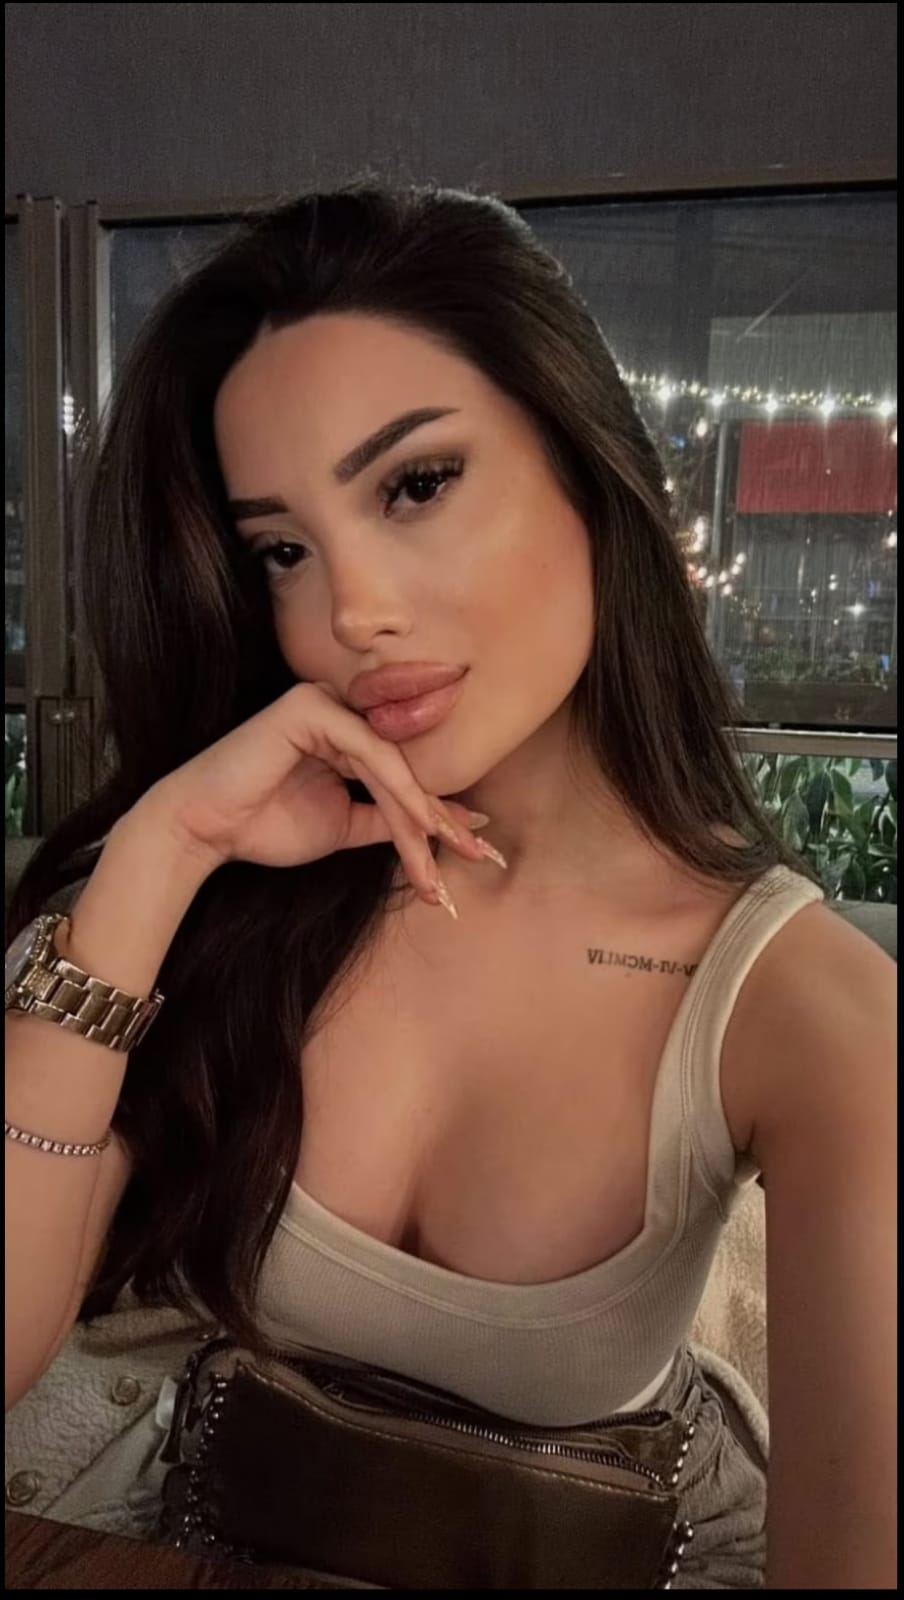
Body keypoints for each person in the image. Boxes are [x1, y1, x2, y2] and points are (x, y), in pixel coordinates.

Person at [5, 180, 896, 1588]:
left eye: (416, 485)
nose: (351, 611)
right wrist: (158, 858)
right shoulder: (245, 890)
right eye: (282, 551)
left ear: (589, 468)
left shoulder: (808, 1012)